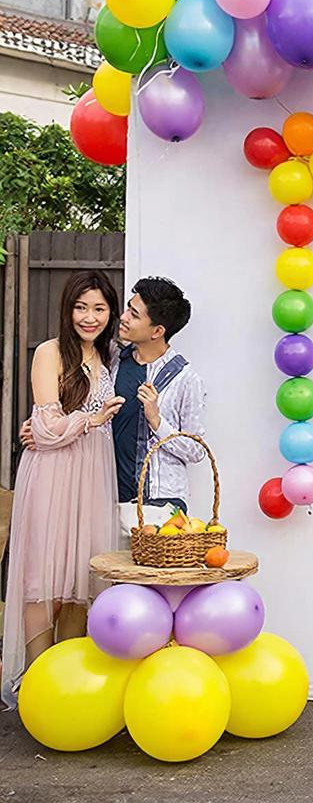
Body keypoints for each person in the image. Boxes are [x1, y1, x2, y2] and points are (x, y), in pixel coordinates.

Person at [2, 271, 124, 708]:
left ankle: (67, 690)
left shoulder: (110, 355)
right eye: (80, 307)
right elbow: (45, 426)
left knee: (81, 582)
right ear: (67, 310)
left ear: (111, 313)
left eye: (99, 308)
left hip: (93, 476)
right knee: (44, 580)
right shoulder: (50, 352)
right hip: (53, 475)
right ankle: (36, 684)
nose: (89, 317)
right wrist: (90, 420)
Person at [19, 276, 207, 546]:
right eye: (128, 308)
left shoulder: (186, 379)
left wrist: (157, 421)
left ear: (157, 331)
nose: (124, 317)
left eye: (134, 314)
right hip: (106, 499)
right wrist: (42, 426)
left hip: (159, 505)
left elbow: (197, 450)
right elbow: (82, 399)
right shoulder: (112, 357)